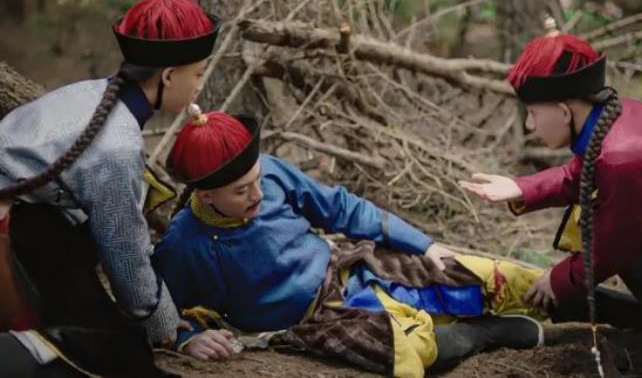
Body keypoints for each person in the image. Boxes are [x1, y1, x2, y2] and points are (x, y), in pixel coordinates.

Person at [152, 106, 550, 378]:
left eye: (257, 180)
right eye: (241, 191)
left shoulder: (269, 174)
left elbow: (341, 208)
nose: (257, 193)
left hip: (347, 266)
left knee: (485, 275)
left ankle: (596, 303)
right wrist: (187, 339)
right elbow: (150, 306)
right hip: (313, 319)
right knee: (406, 346)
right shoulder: (184, 245)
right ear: (206, 196)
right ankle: (486, 333)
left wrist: (424, 245)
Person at [459, 18, 642, 377]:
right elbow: (578, 175)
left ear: (565, 111)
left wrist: (557, 280)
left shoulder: (620, 157)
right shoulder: (607, 121)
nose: (530, 126)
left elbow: (613, 249)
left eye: (533, 113)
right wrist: (522, 188)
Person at [0, 0, 220, 377]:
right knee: (118, 353)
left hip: (31, 221)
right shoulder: (116, 145)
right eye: (199, 74)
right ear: (169, 76)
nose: (199, 86)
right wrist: (167, 328)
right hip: (16, 233)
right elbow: (126, 254)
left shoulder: (88, 93)